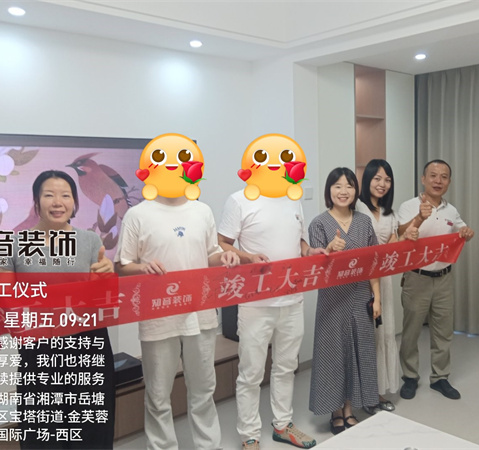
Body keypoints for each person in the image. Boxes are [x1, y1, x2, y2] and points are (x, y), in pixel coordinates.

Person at [0, 170, 116, 449]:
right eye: (49, 195)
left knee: (91, 427)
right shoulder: (13, 243)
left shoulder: (90, 241)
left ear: (75, 202)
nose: (57, 202)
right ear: (36, 201)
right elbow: (3, 296)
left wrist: (108, 275)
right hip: (39, 346)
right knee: (43, 429)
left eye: (66, 195)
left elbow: (103, 298)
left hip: (88, 344)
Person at [114, 192, 239, 450]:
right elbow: (121, 265)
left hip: (200, 314)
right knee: (158, 395)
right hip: (158, 317)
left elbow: (211, 254)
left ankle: (209, 446)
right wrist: (143, 268)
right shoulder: (137, 214)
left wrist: (224, 258)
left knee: (204, 391)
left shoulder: (202, 210)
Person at [218, 188, 326, 450]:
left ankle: (282, 425)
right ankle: (249, 436)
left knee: (286, 367)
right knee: (251, 373)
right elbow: (222, 243)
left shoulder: (293, 198)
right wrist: (248, 257)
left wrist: (309, 252)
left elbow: (300, 242)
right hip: (256, 303)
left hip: (292, 299)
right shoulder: (239, 199)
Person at [307, 167, 380, 435]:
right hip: (332, 299)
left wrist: (377, 297)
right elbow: (317, 266)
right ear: (329, 191)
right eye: (337, 186)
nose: (343, 191)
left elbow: (373, 262)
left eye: (349, 186)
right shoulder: (319, 223)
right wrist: (328, 250)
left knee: (358, 352)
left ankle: (349, 409)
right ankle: (335, 411)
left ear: (355, 191)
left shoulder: (364, 222)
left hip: (360, 295)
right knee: (333, 354)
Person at [396, 159, 474, 401]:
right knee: (411, 332)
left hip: (443, 279)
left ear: (449, 182)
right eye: (433, 175)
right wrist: (418, 218)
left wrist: (466, 233)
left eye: (443, 176)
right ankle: (410, 377)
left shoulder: (452, 211)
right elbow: (399, 234)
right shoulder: (409, 206)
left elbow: (463, 230)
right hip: (416, 277)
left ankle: (440, 378)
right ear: (423, 179)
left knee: (443, 331)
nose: (438, 180)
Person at [356, 159, 418, 414]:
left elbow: (391, 248)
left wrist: (404, 238)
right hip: (360, 279)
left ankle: (377, 392)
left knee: (383, 334)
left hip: (384, 278)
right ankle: (360, 393)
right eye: (377, 178)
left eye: (388, 180)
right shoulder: (357, 207)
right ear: (367, 180)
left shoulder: (390, 213)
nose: (382, 184)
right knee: (364, 337)